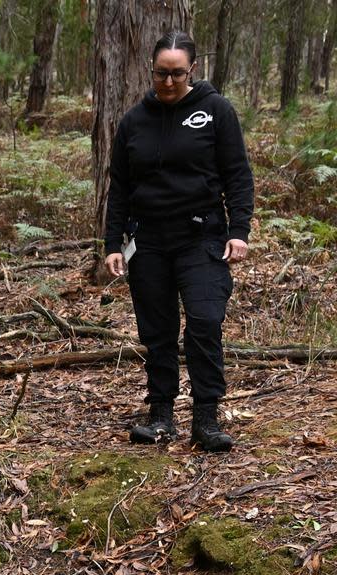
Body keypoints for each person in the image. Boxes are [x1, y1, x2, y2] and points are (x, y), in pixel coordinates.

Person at [104, 29, 254, 453]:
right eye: (160, 74)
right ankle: (161, 415)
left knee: (205, 321)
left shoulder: (216, 111)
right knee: (158, 330)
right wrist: (113, 243)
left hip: (202, 236)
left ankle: (206, 417)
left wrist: (239, 231)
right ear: (150, 71)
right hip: (148, 239)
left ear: (192, 70)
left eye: (176, 74)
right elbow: (119, 186)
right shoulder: (134, 120)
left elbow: (238, 175)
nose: (168, 83)